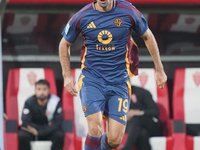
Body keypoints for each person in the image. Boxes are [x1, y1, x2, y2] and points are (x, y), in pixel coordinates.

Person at [59, 0, 167, 149]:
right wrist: (66, 75)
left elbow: (148, 36)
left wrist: (159, 69)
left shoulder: (128, 11)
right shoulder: (82, 16)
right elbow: (64, 44)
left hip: (119, 81)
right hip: (91, 79)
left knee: (115, 140)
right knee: (95, 128)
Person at [18, 79, 64, 150]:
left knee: (59, 135)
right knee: (22, 135)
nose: (42, 92)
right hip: (33, 131)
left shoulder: (55, 102)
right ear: (35, 91)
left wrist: (40, 132)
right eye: (39, 89)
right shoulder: (29, 102)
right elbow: (25, 121)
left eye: (44, 89)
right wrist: (37, 131)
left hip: (48, 131)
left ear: (49, 90)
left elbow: (57, 122)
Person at [121, 86, 162, 150]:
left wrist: (139, 112)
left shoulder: (142, 92)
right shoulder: (114, 96)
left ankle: (127, 147)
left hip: (150, 126)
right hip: (129, 127)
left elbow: (155, 111)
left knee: (135, 118)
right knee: (143, 133)